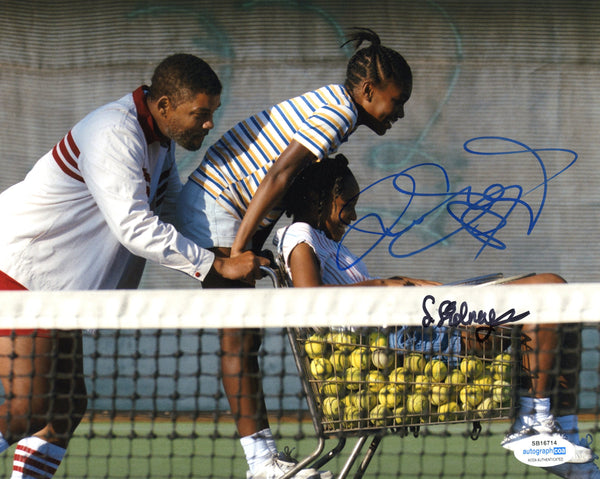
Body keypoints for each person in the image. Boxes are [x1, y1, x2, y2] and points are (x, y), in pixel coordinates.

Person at [0, 53, 268, 479]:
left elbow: (170, 212)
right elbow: (134, 227)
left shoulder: (158, 144)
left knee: (66, 407)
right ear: (163, 106)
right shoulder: (114, 132)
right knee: (30, 407)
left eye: (212, 114)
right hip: (23, 271)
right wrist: (216, 268)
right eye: (200, 114)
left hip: (59, 290)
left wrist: (223, 256)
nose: (208, 125)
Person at [175, 27, 411, 479]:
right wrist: (239, 250)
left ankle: (263, 460)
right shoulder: (337, 114)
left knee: (245, 338)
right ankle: (261, 464)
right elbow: (279, 176)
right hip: (220, 207)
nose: (399, 113)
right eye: (396, 101)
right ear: (367, 91)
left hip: (235, 211)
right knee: (240, 339)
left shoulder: (335, 107)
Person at [274, 155, 600, 479]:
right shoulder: (299, 235)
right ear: (318, 200)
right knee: (551, 290)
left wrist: (407, 283)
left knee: (561, 300)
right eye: (347, 204)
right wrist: (389, 285)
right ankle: (533, 421)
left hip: (418, 328)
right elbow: (311, 302)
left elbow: (365, 291)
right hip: (409, 344)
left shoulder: (327, 243)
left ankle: (563, 434)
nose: (353, 215)